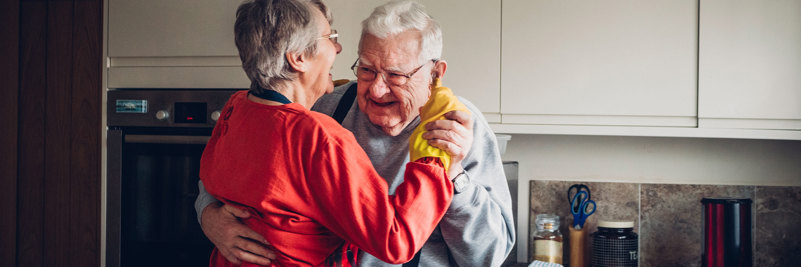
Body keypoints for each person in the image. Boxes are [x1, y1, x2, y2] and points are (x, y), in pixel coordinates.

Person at [195, 0, 516, 266]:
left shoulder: (460, 130)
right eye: (366, 69)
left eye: (395, 75)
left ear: (435, 74)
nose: (377, 89)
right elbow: (232, 173)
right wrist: (210, 216)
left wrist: (454, 174)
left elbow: (488, 258)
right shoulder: (321, 108)